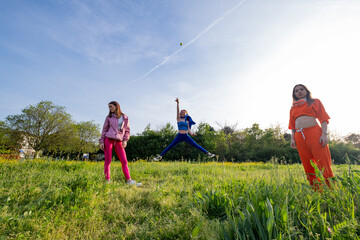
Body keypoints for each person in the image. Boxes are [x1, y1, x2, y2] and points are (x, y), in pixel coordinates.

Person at [288, 84, 334, 188]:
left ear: (306, 91)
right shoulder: (293, 108)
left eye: (301, 89)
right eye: (296, 91)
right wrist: (293, 138)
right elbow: (292, 126)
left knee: (323, 162)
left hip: (314, 133)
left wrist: (324, 134)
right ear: (294, 94)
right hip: (299, 136)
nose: (299, 92)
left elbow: (323, 119)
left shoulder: (315, 102)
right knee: (307, 164)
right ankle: (316, 190)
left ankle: (332, 189)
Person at [99, 101, 141, 186]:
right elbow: (104, 130)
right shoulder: (108, 117)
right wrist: (101, 141)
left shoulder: (124, 117)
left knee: (124, 161)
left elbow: (127, 130)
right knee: (108, 161)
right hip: (109, 139)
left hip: (119, 141)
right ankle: (107, 181)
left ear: (116, 106)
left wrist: (125, 140)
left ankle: (129, 181)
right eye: (109, 107)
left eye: (111, 106)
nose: (109, 108)